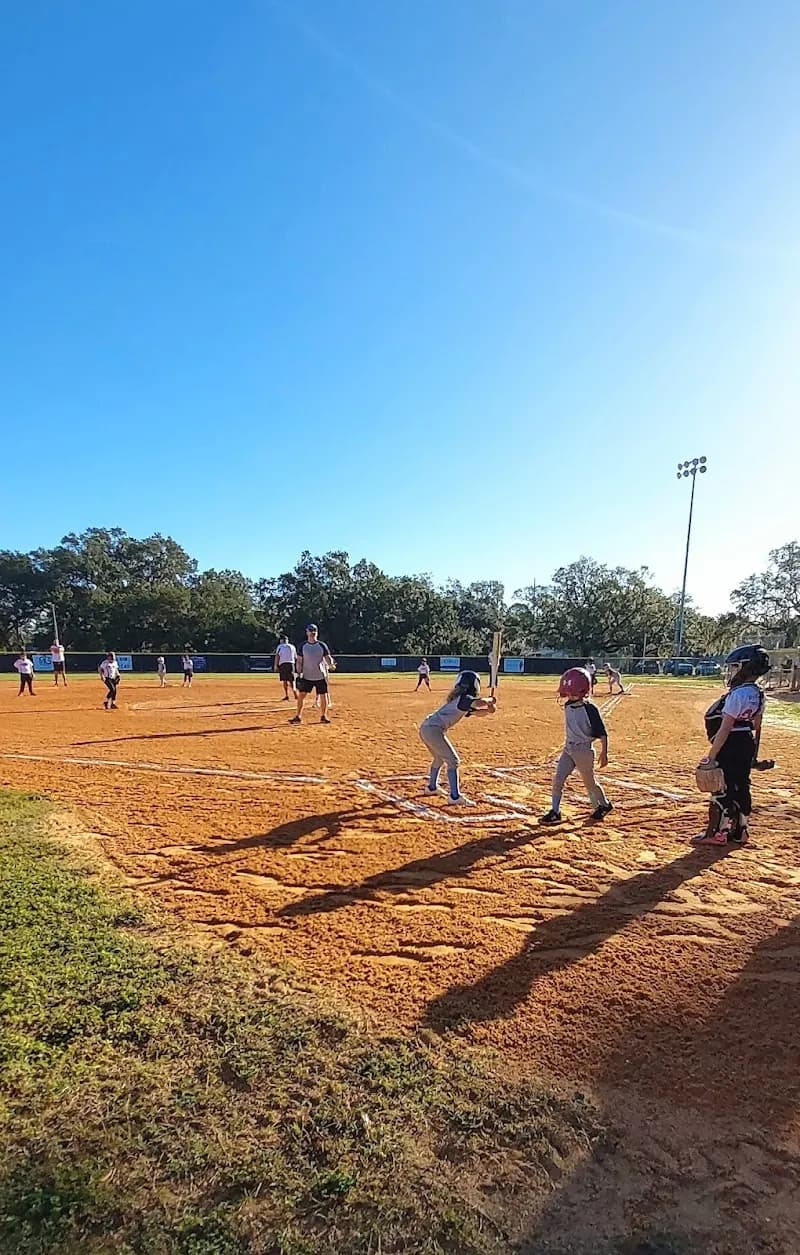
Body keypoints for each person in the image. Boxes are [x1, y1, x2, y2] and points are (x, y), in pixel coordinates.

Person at [693, 644, 771, 846]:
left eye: (735, 667)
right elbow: (757, 726)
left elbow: (725, 729)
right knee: (743, 784)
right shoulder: (759, 694)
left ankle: (718, 833)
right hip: (746, 741)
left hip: (730, 743)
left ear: (746, 667)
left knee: (721, 786)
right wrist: (753, 753)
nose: (732, 671)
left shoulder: (737, 695)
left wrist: (711, 755)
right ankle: (741, 830)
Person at [540, 667, 613, 824]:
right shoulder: (567, 705)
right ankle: (555, 811)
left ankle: (604, 805)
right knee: (558, 779)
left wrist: (604, 753)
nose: (570, 696)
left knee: (590, 783)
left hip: (583, 750)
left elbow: (602, 733)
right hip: (569, 748)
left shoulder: (590, 709)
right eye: (568, 693)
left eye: (573, 692)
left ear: (583, 691)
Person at [419, 670, 495, 805]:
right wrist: (490, 700)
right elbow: (479, 703)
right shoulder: (464, 699)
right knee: (453, 760)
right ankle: (455, 797)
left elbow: (476, 712)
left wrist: (488, 710)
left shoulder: (461, 700)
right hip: (433, 730)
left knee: (439, 758)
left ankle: (431, 788)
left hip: (427, 728)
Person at [291, 624, 335, 724]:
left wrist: (331, 664)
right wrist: (298, 673)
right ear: (307, 632)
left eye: (314, 630)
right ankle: (298, 716)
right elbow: (299, 661)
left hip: (320, 675)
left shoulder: (321, 645)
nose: (312, 632)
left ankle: (324, 716)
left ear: (317, 632)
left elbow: (328, 657)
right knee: (301, 695)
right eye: (310, 630)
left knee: (323, 695)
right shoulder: (302, 646)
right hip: (307, 676)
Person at [274, 635, 297, 701]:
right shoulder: (292, 646)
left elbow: (277, 656)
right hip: (291, 664)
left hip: (283, 664)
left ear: (281, 640)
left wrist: (276, 665)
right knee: (292, 680)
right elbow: (295, 657)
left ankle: (287, 695)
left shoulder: (280, 646)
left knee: (285, 680)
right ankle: (294, 691)